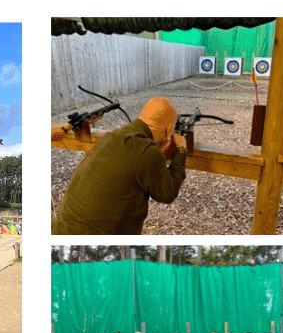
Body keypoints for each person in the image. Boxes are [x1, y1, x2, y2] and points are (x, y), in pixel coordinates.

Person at [52, 97, 187, 234]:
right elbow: (167, 194)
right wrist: (181, 150)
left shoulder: (110, 136)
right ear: (169, 129)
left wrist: (158, 150)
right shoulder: (146, 150)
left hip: (62, 229)